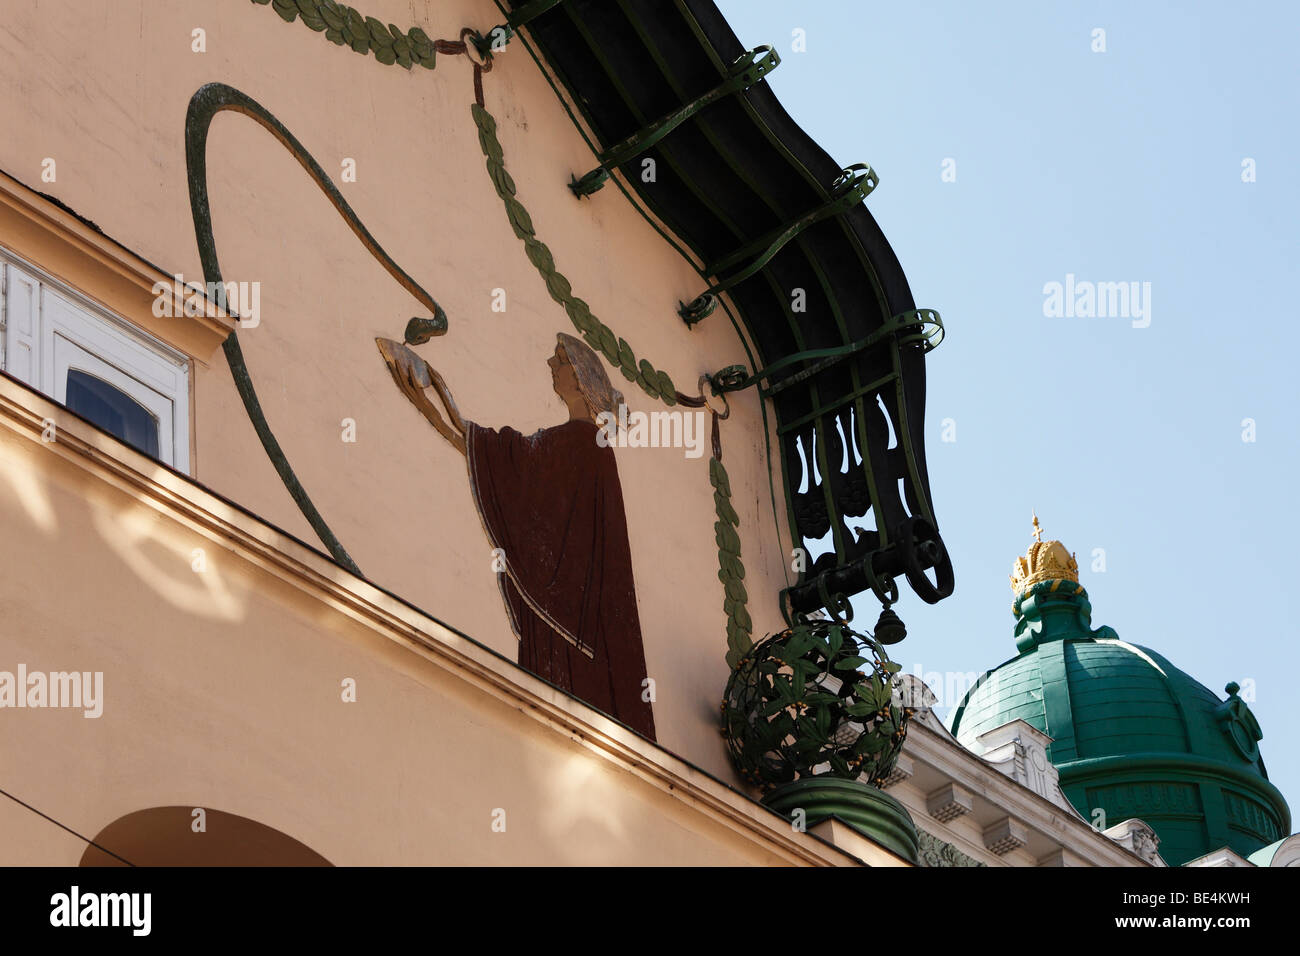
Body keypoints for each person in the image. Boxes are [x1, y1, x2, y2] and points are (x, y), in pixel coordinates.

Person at [377, 333, 656, 740]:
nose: (549, 363)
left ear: (578, 379)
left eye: (558, 360)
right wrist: (429, 400)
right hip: (569, 626)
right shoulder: (589, 449)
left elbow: (503, 463)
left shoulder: (577, 444)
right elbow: (492, 460)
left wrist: (434, 387)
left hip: (566, 630)